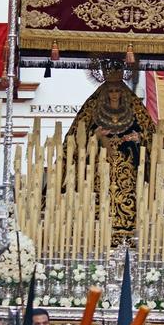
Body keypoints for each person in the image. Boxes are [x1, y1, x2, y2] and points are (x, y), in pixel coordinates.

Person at [65, 66, 155, 242]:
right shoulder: (92, 109)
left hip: (128, 170)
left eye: (117, 91)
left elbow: (151, 134)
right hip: (101, 168)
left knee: (130, 197)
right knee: (100, 198)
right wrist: (96, 137)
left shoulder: (135, 109)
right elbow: (78, 137)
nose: (114, 94)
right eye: (111, 91)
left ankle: (128, 230)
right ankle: (98, 231)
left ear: (122, 92)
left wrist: (138, 137)